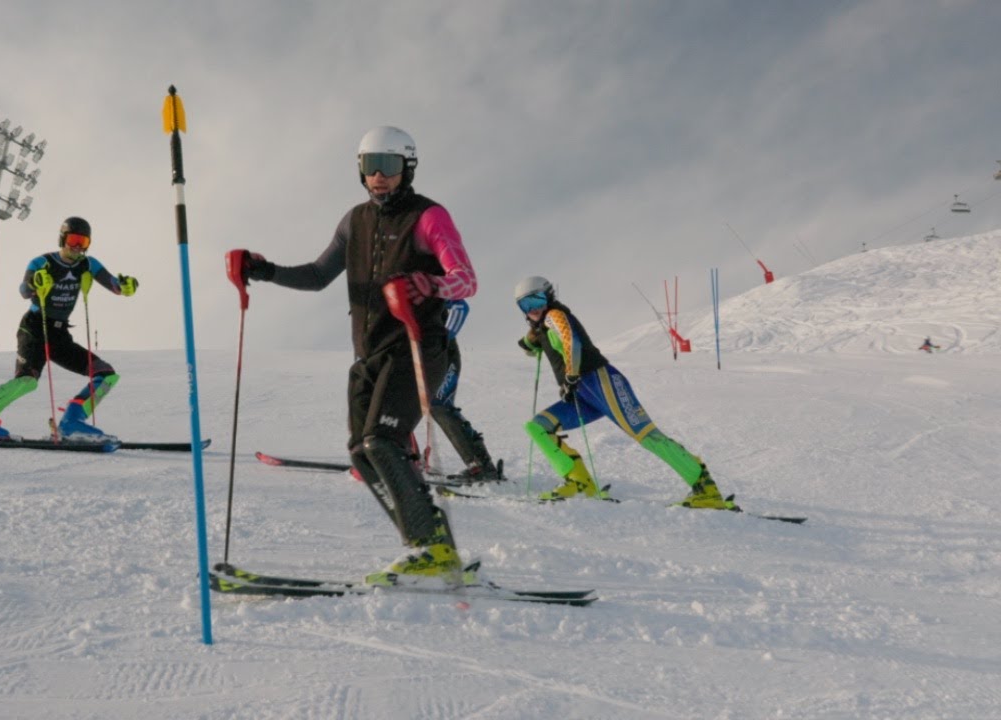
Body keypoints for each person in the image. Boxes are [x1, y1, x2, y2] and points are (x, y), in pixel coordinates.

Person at [232, 125, 479, 586]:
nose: (379, 177)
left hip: (417, 346)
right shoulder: (354, 221)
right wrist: (263, 271)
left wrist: (430, 285)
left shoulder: (429, 217)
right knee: (362, 453)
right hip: (369, 353)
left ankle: (432, 547)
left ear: (407, 169)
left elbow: (466, 279)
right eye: (370, 167)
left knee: (382, 442)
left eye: (389, 167)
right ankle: (431, 544)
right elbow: (316, 275)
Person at [513, 276, 732, 508]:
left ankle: (706, 489)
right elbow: (535, 345)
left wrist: (571, 374)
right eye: (526, 305)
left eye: (537, 300)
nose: (533, 308)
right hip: (582, 394)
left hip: (602, 382)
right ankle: (579, 484)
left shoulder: (555, 316)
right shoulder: (543, 326)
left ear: (548, 296)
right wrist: (531, 340)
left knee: (648, 437)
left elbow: (571, 343)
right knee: (538, 427)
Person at [0, 216, 139, 441]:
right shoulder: (42, 263)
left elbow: (114, 285)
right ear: (62, 239)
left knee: (105, 374)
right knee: (27, 381)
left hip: (59, 334)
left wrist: (126, 286)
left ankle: (72, 422)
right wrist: (36, 283)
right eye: (73, 240)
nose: (77, 247)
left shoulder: (88, 264)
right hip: (34, 328)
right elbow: (24, 290)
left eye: (83, 243)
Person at [431, 299, 502, 481]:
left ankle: (479, 466)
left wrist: (443, 339)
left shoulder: (429, 284)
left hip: (446, 358)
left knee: (440, 407)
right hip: (427, 360)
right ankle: (406, 456)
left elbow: (460, 306)